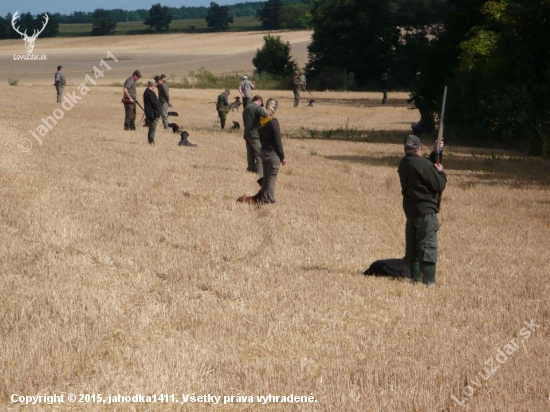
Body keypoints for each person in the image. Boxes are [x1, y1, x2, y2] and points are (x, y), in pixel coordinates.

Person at [398, 135, 447, 286]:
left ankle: (415, 280)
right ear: (420, 147)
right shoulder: (423, 164)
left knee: (413, 250)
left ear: (406, 148)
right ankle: (429, 283)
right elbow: (438, 184)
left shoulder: (404, 163)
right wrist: (441, 173)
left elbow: (423, 168)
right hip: (426, 213)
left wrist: (435, 154)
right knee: (427, 247)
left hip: (411, 212)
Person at [259, 98, 286, 204]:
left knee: (266, 177)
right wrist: (282, 157)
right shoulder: (274, 123)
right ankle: (270, 200)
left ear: (266, 106)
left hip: (263, 152)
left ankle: (263, 198)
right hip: (272, 154)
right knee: (272, 178)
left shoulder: (262, 120)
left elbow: (260, 137)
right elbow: (278, 142)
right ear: (276, 108)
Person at [242, 95, 267, 177]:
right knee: (259, 154)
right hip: (255, 134)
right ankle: (260, 172)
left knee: (250, 154)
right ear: (259, 100)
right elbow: (265, 118)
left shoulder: (246, 107)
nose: (261, 105)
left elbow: (244, 122)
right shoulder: (257, 108)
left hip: (247, 134)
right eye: (261, 103)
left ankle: (250, 169)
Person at [143, 79, 162, 145]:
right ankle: (151, 141)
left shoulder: (145, 92)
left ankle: (150, 141)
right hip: (153, 114)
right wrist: (160, 112)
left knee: (151, 128)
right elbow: (156, 104)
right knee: (152, 128)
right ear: (151, 85)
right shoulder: (151, 93)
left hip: (148, 113)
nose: (155, 87)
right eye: (154, 85)